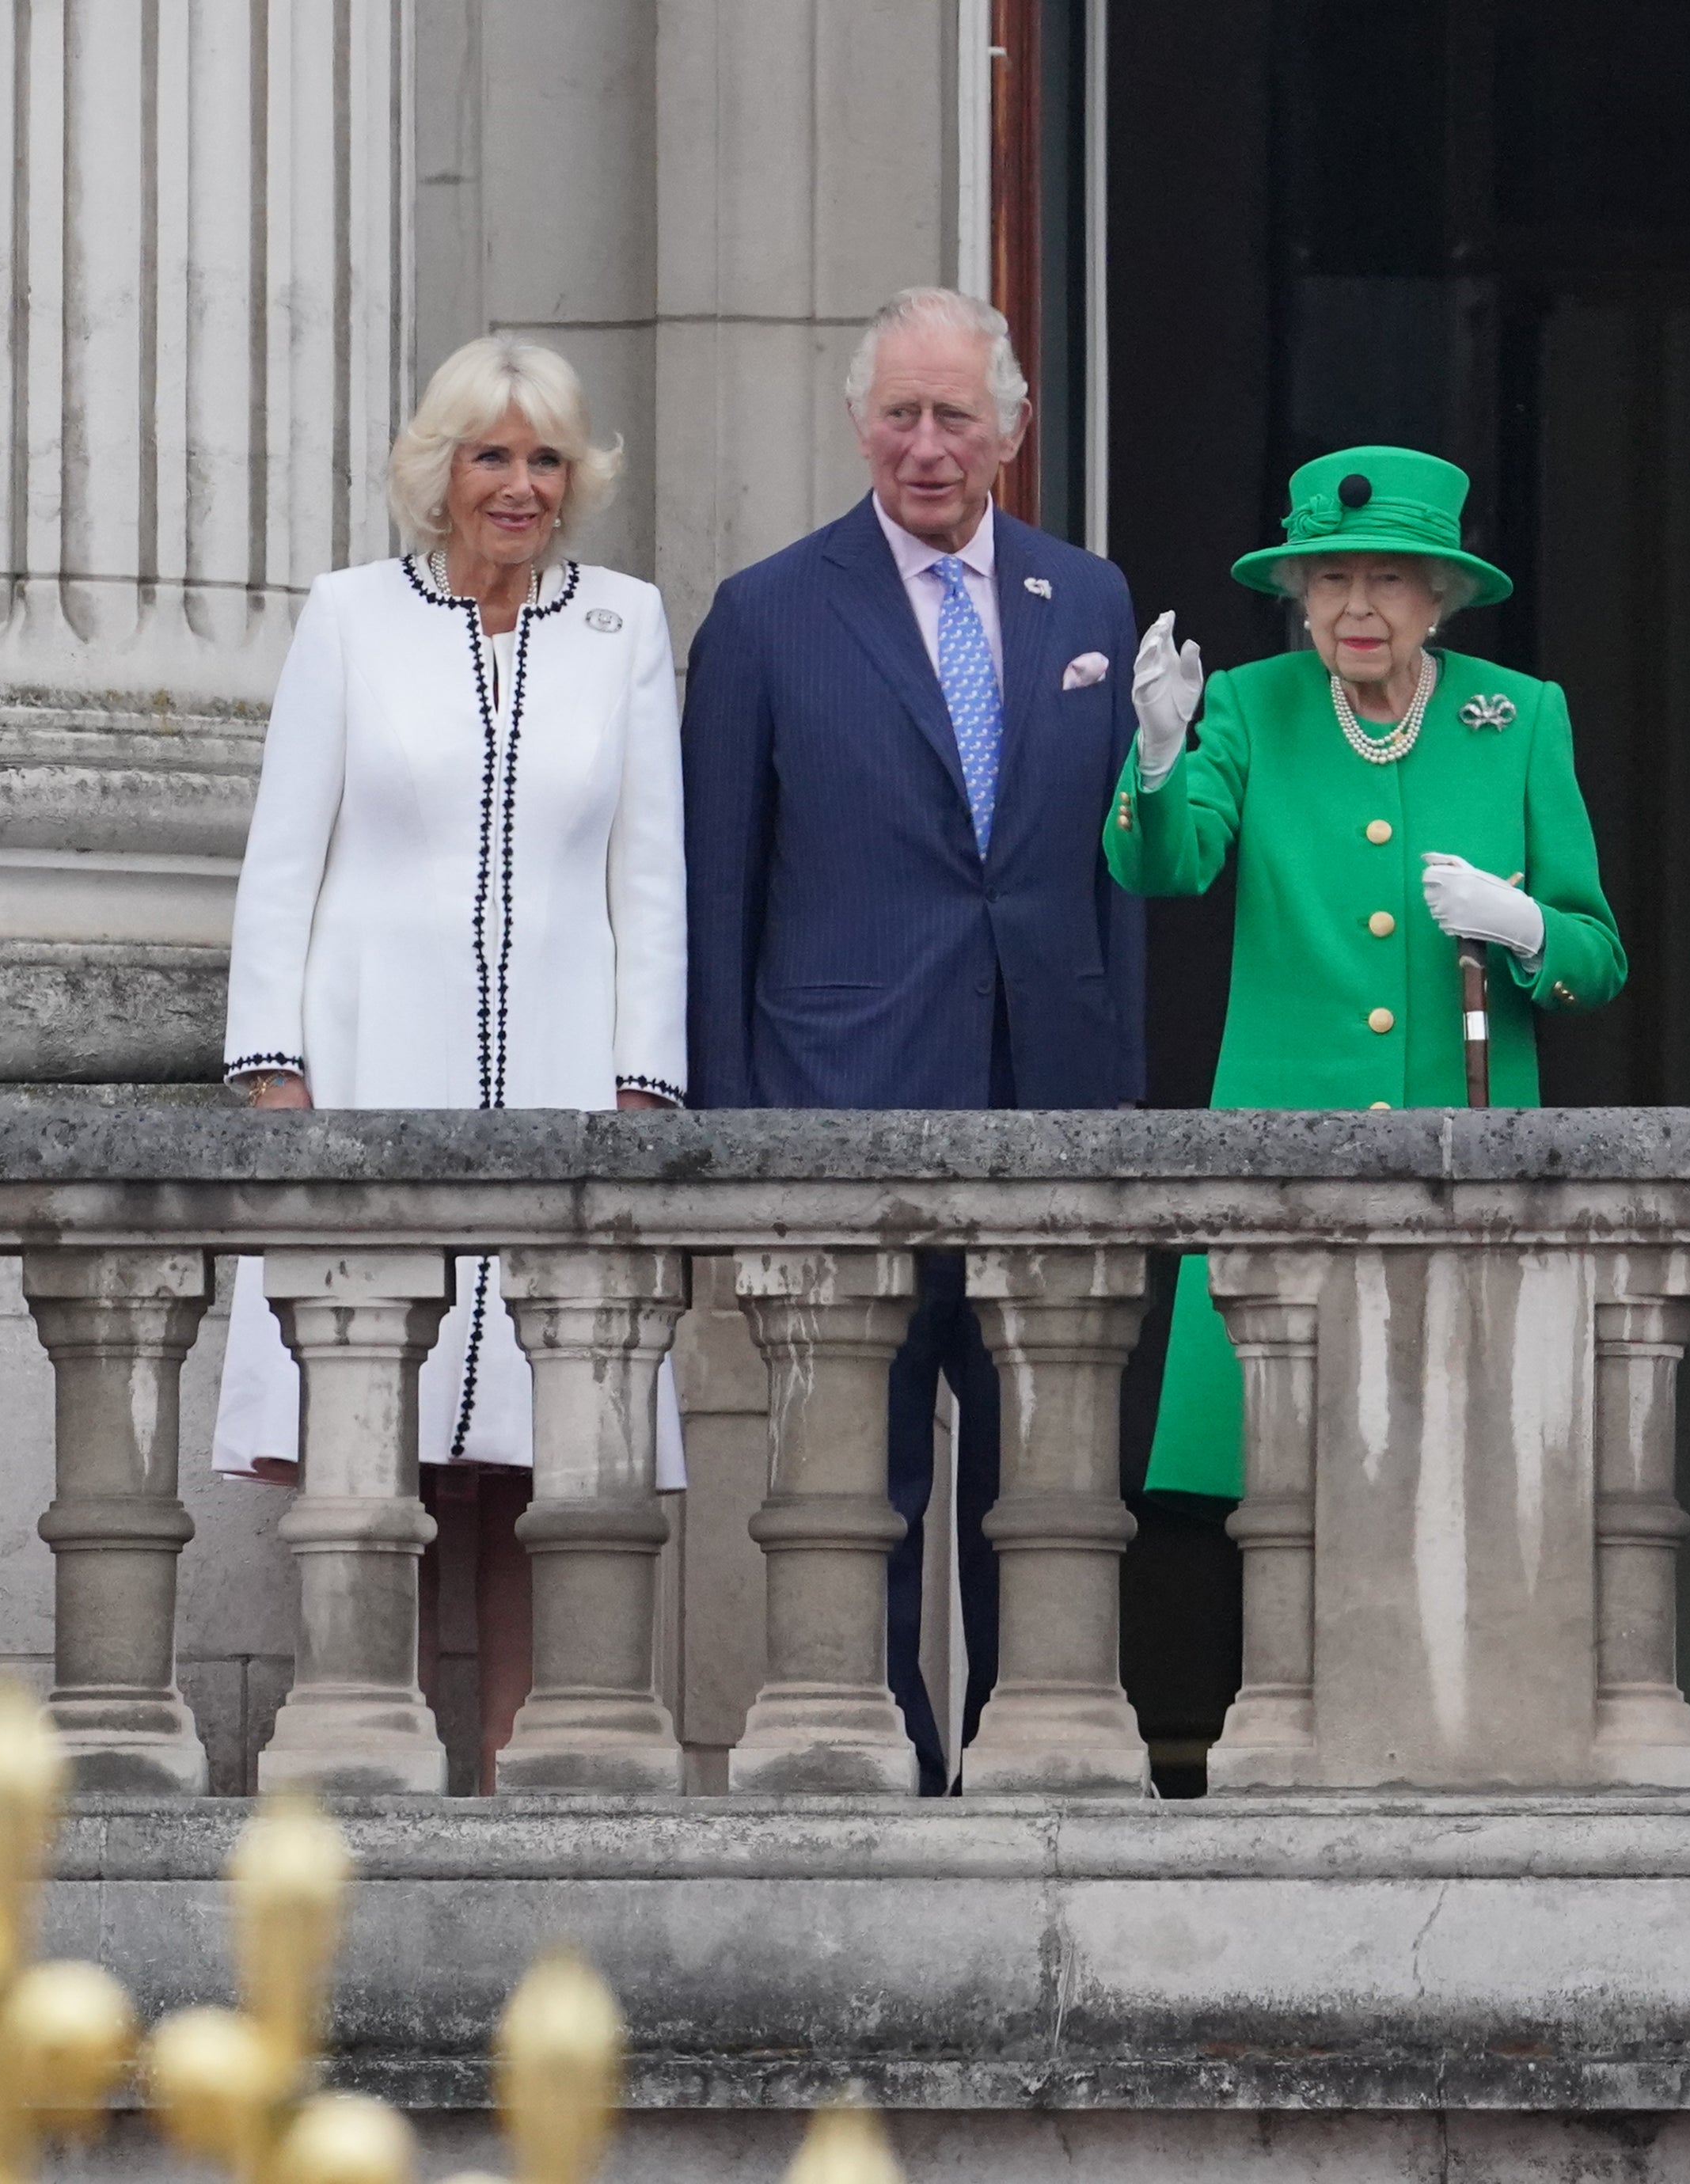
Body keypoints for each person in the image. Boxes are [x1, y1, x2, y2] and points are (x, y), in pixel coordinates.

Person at [681, 286, 1145, 1794]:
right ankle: (878, 1760)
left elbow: (1110, 875)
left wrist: (1117, 1105)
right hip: (840, 1111)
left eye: (956, 415)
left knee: (1045, 1483)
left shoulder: (1088, 603)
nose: (927, 445)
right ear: (857, 422)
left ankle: (1028, 1758)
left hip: (1047, 1114)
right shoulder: (765, 611)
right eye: (900, 412)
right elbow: (718, 886)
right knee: (855, 1489)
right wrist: (736, 1136)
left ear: (1012, 427)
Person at [217, 334, 686, 1786]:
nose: (522, 486)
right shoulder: (352, 618)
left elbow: (649, 877)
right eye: (493, 455)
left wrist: (639, 1087)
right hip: (374, 1071)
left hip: (562, 1078)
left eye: (546, 457)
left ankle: (529, 1767)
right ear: (442, 469)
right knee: (391, 1441)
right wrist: (274, 1069)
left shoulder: (624, 623)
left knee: (541, 1453)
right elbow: (282, 859)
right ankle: (386, 1764)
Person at [1110, 446, 1624, 1499]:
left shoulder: (1517, 717)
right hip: (1283, 1168)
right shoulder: (1254, 706)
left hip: (1460, 1182)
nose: (1357, 604)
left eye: (1387, 577)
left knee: (1457, 1491)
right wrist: (1158, 756)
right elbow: (1164, 864)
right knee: (1283, 1496)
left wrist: (1522, 923)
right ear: (1298, 594)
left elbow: (1597, 957)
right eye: (1332, 577)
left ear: (1439, 594)